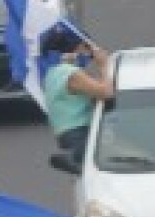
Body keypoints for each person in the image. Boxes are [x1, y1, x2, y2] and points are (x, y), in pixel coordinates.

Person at [41, 28, 114, 162]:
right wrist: (104, 66)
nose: (89, 54)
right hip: (79, 134)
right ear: (78, 47)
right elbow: (106, 93)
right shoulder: (70, 73)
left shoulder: (53, 73)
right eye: (87, 47)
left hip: (67, 134)